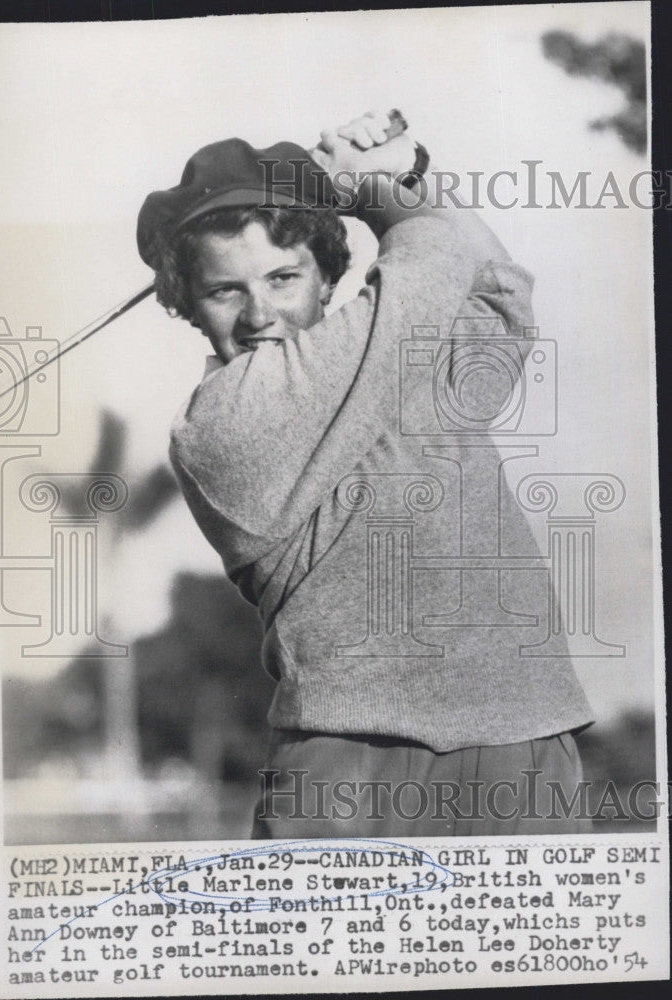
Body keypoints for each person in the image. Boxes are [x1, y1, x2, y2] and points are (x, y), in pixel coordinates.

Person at [137, 111, 594, 838]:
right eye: (225, 290)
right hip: (349, 763)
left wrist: (402, 178)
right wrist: (381, 185)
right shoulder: (219, 424)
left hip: (526, 735)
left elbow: (497, 297)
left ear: (327, 275)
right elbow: (436, 257)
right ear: (188, 306)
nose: (260, 314)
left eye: (283, 277)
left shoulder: (381, 354)